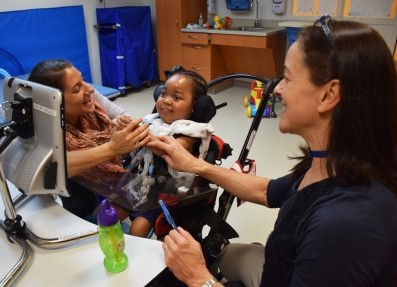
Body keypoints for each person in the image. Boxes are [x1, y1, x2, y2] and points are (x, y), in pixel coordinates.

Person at [147, 16, 397, 287]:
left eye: (288, 78)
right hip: (284, 265)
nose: (277, 89)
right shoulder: (333, 160)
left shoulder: (344, 223)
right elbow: (265, 191)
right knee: (227, 255)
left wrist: (199, 278)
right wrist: (196, 165)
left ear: (328, 95)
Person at [28, 59, 150, 221]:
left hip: (105, 188)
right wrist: (112, 148)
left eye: (83, 80)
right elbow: (54, 165)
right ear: (54, 102)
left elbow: (122, 115)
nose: (90, 89)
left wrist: (123, 124)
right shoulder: (41, 127)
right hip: (73, 200)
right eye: (76, 88)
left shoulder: (90, 98)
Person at [121, 68, 215, 237]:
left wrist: (140, 135)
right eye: (163, 94)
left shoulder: (191, 132)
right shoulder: (153, 121)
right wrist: (124, 128)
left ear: (195, 106)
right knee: (107, 213)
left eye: (176, 97)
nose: (166, 101)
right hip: (138, 184)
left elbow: (170, 150)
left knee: (138, 228)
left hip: (163, 195)